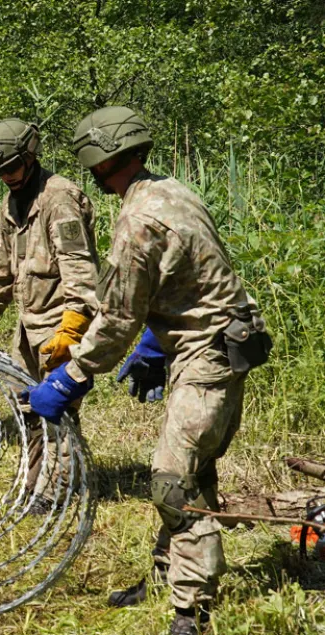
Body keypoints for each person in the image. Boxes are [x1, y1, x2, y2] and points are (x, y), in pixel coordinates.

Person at [26, 106, 271, 635]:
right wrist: (158, 346)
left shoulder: (138, 218)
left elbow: (117, 315)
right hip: (219, 339)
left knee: (172, 478)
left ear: (98, 160)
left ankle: (192, 612)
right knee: (191, 466)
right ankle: (168, 577)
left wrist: (72, 376)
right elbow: (195, 274)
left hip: (208, 351)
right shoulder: (170, 190)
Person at [0, 118, 100, 512]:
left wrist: (72, 329)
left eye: (12, 167)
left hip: (60, 326)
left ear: (31, 157)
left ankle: (59, 491)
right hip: (27, 328)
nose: (6, 177)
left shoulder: (59, 199)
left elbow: (80, 273)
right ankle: (35, 482)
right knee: (27, 409)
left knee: (56, 413)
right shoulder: (12, 203)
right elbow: (1, 269)